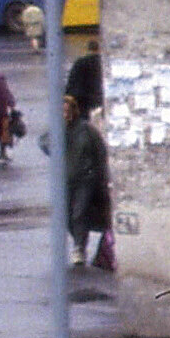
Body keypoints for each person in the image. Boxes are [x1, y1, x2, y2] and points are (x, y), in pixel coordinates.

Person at [60, 93, 110, 270]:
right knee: (66, 214)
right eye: (61, 111)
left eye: (67, 110)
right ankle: (78, 239)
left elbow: (101, 151)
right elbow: (45, 143)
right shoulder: (58, 131)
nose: (64, 114)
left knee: (79, 212)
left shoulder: (86, 129)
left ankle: (79, 247)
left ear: (74, 111)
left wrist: (101, 176)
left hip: (85, 179)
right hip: (64, 180)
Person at [63, 38, 101, 120]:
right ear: (99, 49)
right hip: (98, 99)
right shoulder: (101, 62)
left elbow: (72, 82)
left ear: (88, 48)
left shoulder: (80, 62)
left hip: (82, 100)